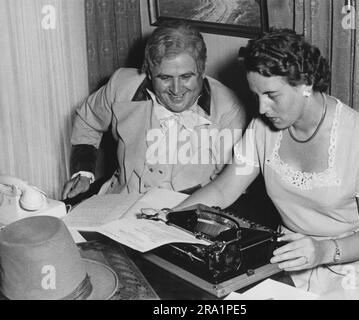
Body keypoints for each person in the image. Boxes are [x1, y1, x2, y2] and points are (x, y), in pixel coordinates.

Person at [175, 28, 359, 299]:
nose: (261, 108)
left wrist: (323, 251)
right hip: (289, 252)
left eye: (272, 95)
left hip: (356, 258)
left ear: (305, 83)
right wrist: (169, 216)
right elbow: (224, 189)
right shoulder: (262, 128)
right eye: (256, 95)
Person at [62, 20, 246, 202]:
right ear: (149, 73)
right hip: (120, 203)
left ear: (202, 71)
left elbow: (227, 185)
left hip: (189, 212)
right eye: (165, 77)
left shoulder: (228, 109)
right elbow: (88, 121)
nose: (176, 89)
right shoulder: (121, 86)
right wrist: (84, 171)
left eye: (186, 77)